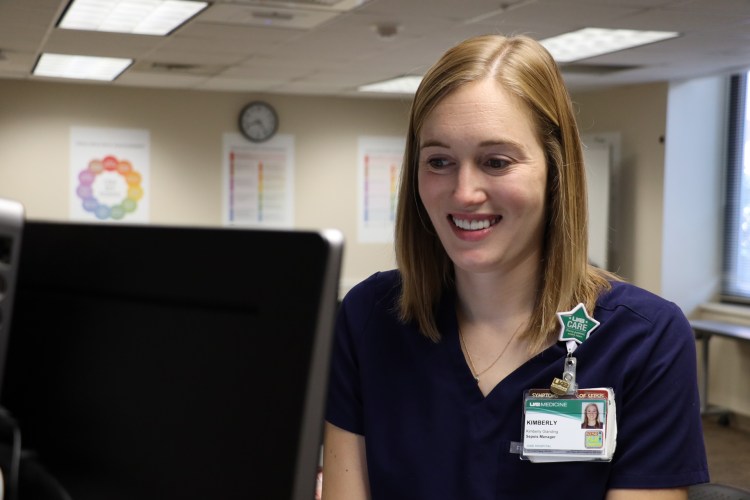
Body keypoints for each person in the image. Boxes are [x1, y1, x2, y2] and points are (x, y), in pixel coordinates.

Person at [322, 34, 709, 499]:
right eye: (439, 161)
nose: (465, 192)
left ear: (555, 169)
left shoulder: (644, 340)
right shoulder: (369, 317)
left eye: (497, 161)